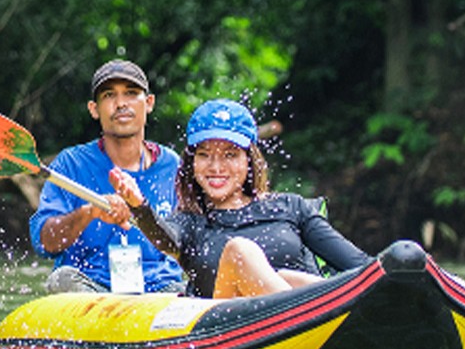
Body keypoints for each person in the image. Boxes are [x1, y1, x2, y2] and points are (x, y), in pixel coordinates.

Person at [121, 98, 371, 299]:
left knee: (289, 277)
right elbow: (164, 238)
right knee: (239, 251)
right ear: (192, 163)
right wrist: (138, 206)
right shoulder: (189, 223)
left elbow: (358, 265)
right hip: (233, 333)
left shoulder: (291, 208)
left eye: (230, 155)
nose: (216, 166)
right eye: (205, 155)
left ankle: (331, 316)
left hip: (304, 308)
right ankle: (312, 317)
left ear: (249, 161)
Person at [27, 59, 187, 294]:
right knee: (61, 279)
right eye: (109, 95)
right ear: (94, 109)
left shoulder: (173, 166)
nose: (121, 103)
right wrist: (89, 212)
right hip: (90, 286)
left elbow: (188, 246)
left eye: (131, 93)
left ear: (149, 103)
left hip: (160, 289)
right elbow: (45, 243)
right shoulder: (71, 164)